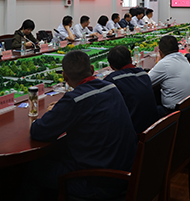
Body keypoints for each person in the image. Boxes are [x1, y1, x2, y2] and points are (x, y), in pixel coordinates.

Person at [30, 51, 137, 199]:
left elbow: (38, 131)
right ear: (92, 69)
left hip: (99, 182)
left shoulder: (74, 100)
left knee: (31, 170)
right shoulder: (111, 88)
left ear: (65, 77)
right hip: (125, 172)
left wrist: (52, 112)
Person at [104, 46, 159, 134]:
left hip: (134, 133)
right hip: (154, 129)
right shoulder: (143, 74)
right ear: (131, 59)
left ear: (111, 66)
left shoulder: (112, 81)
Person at [148, 35, 190, 116]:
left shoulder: (164, 63)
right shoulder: (183, 58)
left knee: (147, 111)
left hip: (176, 114)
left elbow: (146, 82)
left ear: (160, 52)